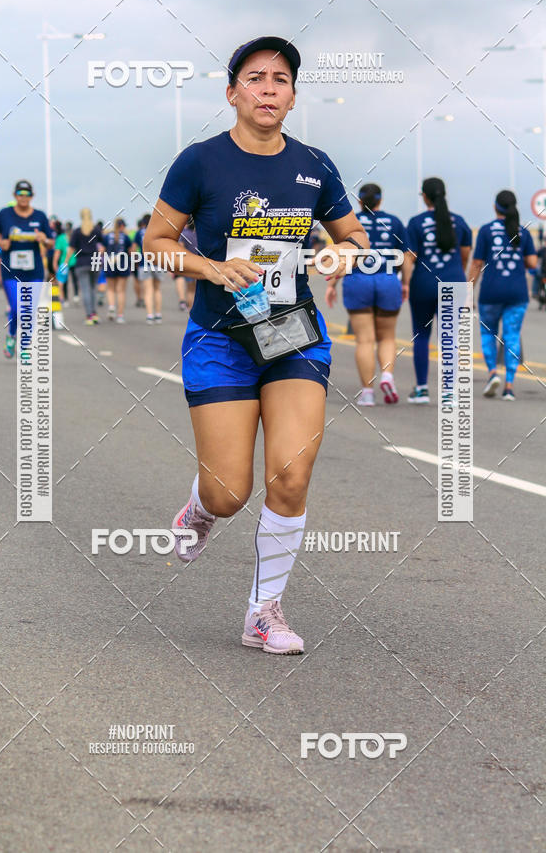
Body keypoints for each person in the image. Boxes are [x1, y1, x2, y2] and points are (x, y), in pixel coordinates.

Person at [145, 36, 368, 654]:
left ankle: (263, 612)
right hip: (221, 338)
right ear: (232, 93)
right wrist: (211, 268)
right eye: (255, 78)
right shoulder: (200, 162)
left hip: (293, 335)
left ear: (293, 97)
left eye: (280, 80)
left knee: (291, 477)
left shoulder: (316, 166)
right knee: (229, 491)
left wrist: (339, 252)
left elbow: (352, 233)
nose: (268, 89)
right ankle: (200, 509)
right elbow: (158, 239)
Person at [325, 183, 408, 405]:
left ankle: (368, 392)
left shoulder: (353, 225)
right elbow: (407, 256)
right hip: (387, 278)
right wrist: (405, 283)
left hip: (358, 278)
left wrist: (332, 286)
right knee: (387, 336)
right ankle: (388, 375)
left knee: (364, 340)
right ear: (380, 200)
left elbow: (342, 258)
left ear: (360, 202)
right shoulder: (395, 222)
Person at [404, 177, 472, 403]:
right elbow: (465, 256)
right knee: (449, 337)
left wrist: (405, 283)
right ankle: (449, 392)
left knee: (422, 336)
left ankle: (422, 389)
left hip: (423, 284)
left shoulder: (415, 222)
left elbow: (409, 258)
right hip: (454, 283)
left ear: (424, 196)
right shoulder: (459, 222)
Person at [469, 190, 537, 400]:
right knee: (512, 336)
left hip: (491, 291)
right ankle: (509, 386)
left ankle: (491, 373)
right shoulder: (523, 231)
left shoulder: (486, 230)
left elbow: (477, 263)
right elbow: (533, 263)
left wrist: (468, 291)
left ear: (495, 206)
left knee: (489, 333)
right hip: (517, 292)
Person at [0, 180, 54, 358]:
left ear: (32, 196)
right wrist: (1, 242)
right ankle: (11, 335)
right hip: (11, 269)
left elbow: (51, 243)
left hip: (34, 271)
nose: (23, 197)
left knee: (29, 309)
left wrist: (44, 239)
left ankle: (25, 347)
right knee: (17, 308)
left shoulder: (40, 216)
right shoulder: (5, 214)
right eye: (20, 194)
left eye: (27, 194)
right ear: (15, 195)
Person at [68, 209, 104, 325]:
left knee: (85, 290)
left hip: (81, 262)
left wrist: (65, 262)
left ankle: (89, 315)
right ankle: (94, 314)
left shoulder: (77, 231)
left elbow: (71, 249)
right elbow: (103, 244)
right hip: (94, 261)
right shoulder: (96, 230)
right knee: (93, 288)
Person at [103, 217, 133, 323]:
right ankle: (120, 315)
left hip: (110, 263)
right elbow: (131, 251)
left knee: (110, 289)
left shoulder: (107, 237)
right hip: (123, 264)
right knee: (121, 291)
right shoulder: (125, 237)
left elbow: (102, 250)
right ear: (122, 226)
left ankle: (111, 306)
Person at [178, 216, 197, 311]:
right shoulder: (199, 233)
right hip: (200, 264)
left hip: (188, 264)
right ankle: (196, 309)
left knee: (190, 290)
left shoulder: (184, 234)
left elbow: (180, 249)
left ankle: (190, 309)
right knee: (197, 290)